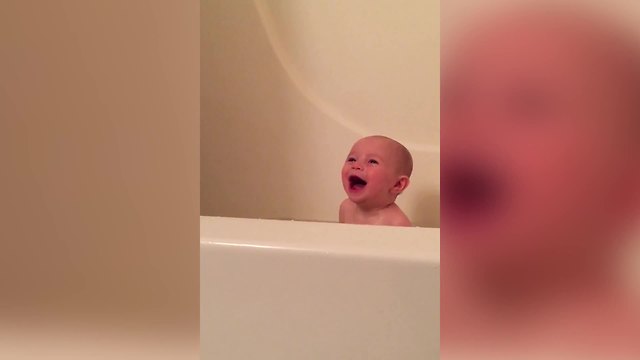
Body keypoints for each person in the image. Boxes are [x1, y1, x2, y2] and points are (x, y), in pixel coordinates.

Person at [339, 135, 413, 227]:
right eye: (352, 159)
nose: (356, 165)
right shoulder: (346, 208)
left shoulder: (397, 223)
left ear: (397, 185)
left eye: (372, 161)